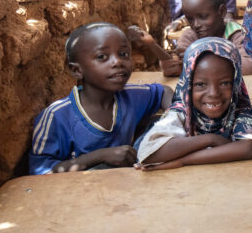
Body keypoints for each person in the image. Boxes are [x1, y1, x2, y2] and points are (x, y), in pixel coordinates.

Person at [30, 23, 172, 175]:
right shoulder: (57, 116)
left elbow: (164, 91)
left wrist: (173, 115)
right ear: (77, 70)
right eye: (102, 57)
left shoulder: (130, 96)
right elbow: (40, 171)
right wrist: (99, 156)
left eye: (124, 54)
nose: (117, 62)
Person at [136, 38, 252, 170]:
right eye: (200, 84)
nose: (213, 93)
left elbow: (248, 148)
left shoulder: (239, 109)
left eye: (225, 83)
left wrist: (183, 161)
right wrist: (211, 139)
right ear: (188, 85)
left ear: (236, 83)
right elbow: (148, 152)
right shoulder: (181, 111)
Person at [130, 0, 252, 77]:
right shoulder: (190, 35)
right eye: (190, 19)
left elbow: (250, 65)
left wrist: (199, 61)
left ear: (221, 12)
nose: (196, 24)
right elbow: (173, 66)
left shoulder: (236, 34)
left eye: (203, 17)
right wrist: (152, 45)